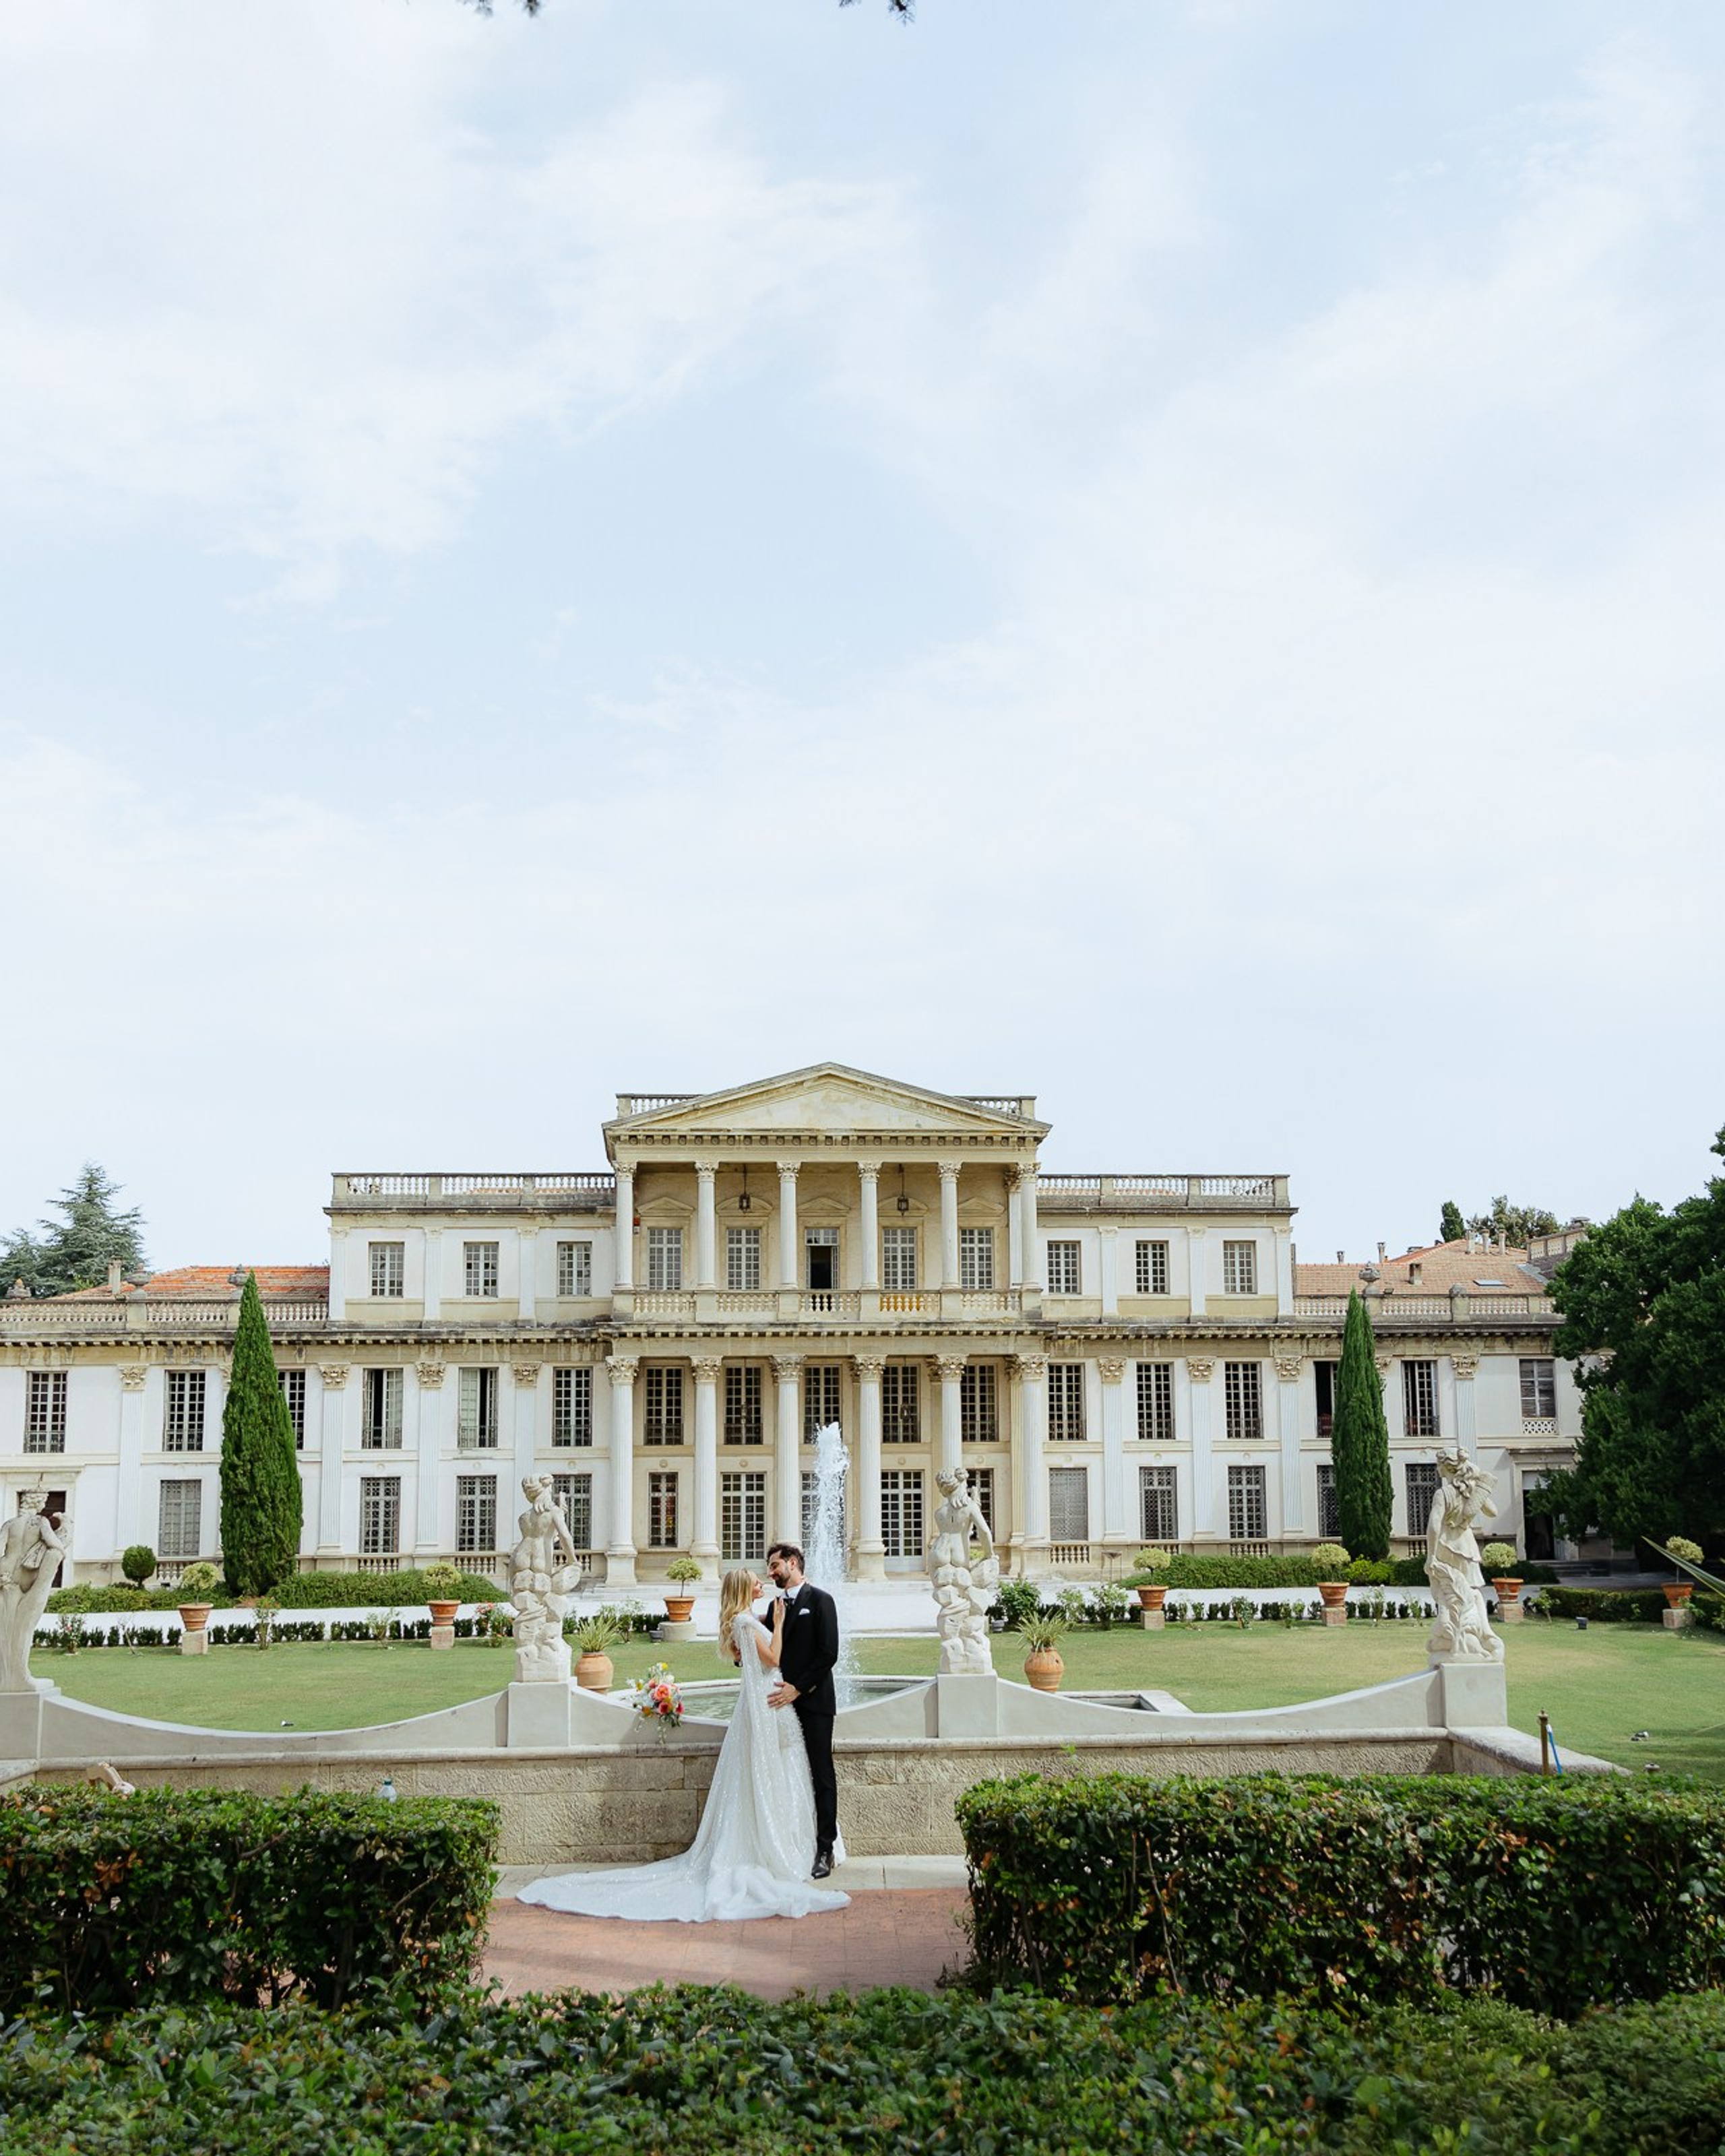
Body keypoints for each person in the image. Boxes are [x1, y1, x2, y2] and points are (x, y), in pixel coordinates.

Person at [517, 1567, 849, 1923]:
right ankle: (781, 1846)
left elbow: (756, 1654)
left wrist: (772, 1622)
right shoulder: (746, 1622)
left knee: (779, 1769)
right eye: (755, 1580)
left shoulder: (747, 1619)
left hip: (765, 1701)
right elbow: (774, 1659)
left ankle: (801, 1842)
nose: (762, 1581)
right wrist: (779, 1626)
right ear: (744, 1588)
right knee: (774, 1769)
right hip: (767, 1701)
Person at [764, 1540, 841, 1878]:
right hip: (781, 1705)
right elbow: (770, 1651)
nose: (771, 1573)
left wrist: (799, 1688)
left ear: (792, 1563)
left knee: (822, 1774)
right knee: (785, 1772)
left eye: (775, 1565)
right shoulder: (774, 1606)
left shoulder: (822, 1600)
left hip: (815, 1701)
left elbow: (829, 1653)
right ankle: (791, 1843)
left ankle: (825, 1848)